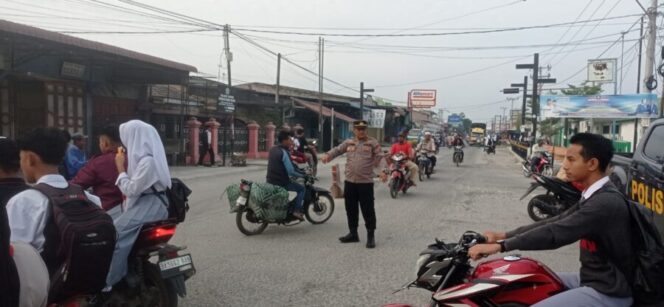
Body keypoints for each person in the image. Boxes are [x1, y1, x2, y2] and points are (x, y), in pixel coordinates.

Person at [468, 133, 633, 307]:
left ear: (592, 164)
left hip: (608, 290)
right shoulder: (594, 195)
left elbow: (556, 233)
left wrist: (501, 246)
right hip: (591, 279)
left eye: (571, 159)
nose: (564, 165)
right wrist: (502, 235)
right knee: (521, 283)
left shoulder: (605, 202)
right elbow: (555, 221)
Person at [6, 128, 101, 269]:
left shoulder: (22, 202)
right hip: (88, 283)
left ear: (30, 159)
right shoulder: (91, 199)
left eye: (21, 158)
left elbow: (15, 258)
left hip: (45, 286)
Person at [106, 120, 171, 288]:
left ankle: (112, 281)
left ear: (135, 137)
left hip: (152, 205)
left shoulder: (147, 162)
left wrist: (120, 168)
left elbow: (131, 190)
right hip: (146, 203)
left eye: (125, 137)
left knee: (115, 233)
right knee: (106, 220)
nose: (123, 142)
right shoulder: (141, 159)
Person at [321, 120, 382, 249]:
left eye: (363, 129)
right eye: (359, 129)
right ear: (354, 130)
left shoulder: (372, 143)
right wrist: (328, 155)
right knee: (351, 209)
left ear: (366, 130)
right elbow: (337, 150)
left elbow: (380, 158)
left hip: (365, 183)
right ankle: (353, 234)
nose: (361, 131)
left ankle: (370, 235)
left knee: (368, 210)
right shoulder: (349, 142)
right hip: (350, 182)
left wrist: (384, 171)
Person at [70, 126, 124, 219]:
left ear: (105, 143)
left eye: (100, 142)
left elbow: (76, 185)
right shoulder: (133, 158)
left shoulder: (99, 162)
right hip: (134, 210)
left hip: (107, 212)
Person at [266, 130, 306, 221]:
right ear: (284, 140)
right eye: (289, 139)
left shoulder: (273, 149)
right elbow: (291, 171)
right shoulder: (283, 152)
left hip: (270, 180)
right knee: (302, 189)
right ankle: (296, 210)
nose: (290, 140)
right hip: (280, 182)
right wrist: (302, 175)